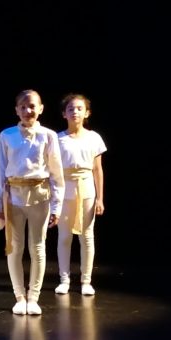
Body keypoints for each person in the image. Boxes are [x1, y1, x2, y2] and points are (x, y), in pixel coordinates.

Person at [0, 90, 65, 315]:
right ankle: (19, 296)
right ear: (16, 110)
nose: (27, 110)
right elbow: (0, 171)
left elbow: (57, 174)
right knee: (14, 247)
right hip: (13, 197)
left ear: (41, 108)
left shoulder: (48, 135)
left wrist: (57, 205)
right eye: (23, 107)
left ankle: (33, 297)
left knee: (38, 246)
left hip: (39, 196)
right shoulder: (7, 135)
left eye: (32, 106)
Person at [54, 94, 106, 296]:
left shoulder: (94, 138)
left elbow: (97, 170)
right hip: (65, 189)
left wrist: (100, 198)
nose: (75, 112)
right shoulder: (58, 139)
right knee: (64, 236)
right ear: (64, 114)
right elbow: (53, 170)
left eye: (79, 108)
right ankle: (64, 279)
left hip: (86, 189)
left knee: (87, 236)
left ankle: (86, 280)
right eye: (70, 109)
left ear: (87, 113)